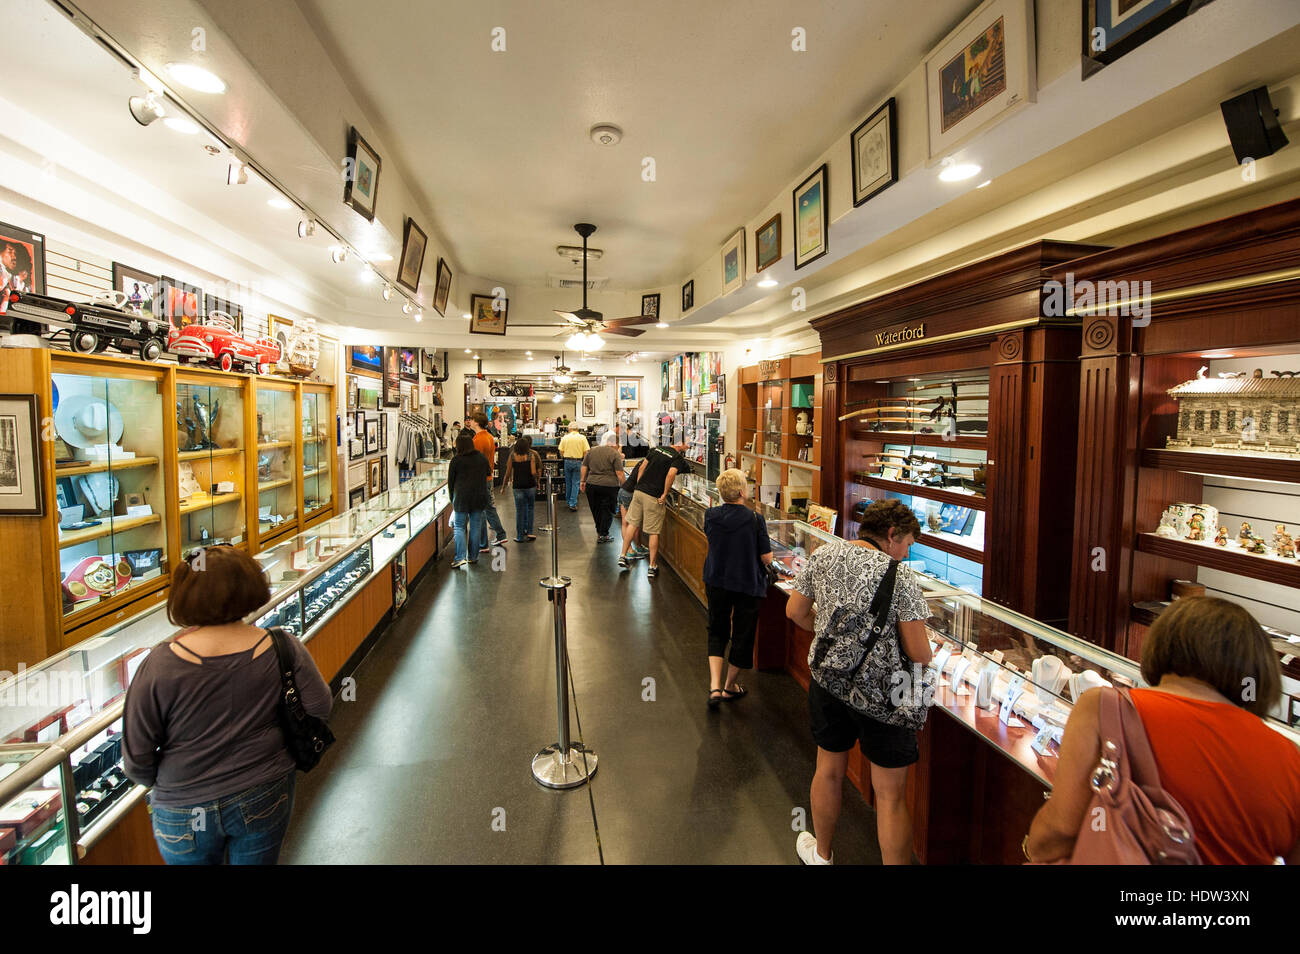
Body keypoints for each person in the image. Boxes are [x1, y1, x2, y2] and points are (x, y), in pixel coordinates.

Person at [1024, 596, 1300, 865]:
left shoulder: (1105, 707)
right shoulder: (1290, 757)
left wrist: (1031, 847)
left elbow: (1059, 830)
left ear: (1163, 645)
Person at [122, 545, 331, 864]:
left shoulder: (159, 665)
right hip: (263, 788)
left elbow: (136, 757)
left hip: (183, 806)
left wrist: (170, 781)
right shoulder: (280, 645)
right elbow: (319, 706)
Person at [784, 500, 933, 865]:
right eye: (907, 542)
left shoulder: (823, 555)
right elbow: (920, 652)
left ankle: (822, 854)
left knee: (829, 771)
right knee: (891, 797)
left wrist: (827, 637)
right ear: (891, 534)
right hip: (885, 697)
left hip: (828, 683)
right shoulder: (902, 578)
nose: (907, 551)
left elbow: (795, 611)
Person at [703, 469, 773, 707]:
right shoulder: (755, 519)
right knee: (742, 634)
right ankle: (729, 686)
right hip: (746, 583)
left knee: (717, 629)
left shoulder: (710, 515)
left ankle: (713, 685)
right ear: (742, 491)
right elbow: (766, 557)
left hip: (716, 579)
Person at [618, 440, 688, 578]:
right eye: (687, 444)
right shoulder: (677, 458)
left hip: (639, 491)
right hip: (654, 495)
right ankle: (652, 566)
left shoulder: (656, 449)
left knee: (632, 523)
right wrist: (665, 493)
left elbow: (642, 467)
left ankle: (623, 555)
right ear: (680, 443)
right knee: (653, 531)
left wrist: (639, 483)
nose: (689, 447)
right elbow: (671, 474)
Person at [447, 431, 492, 567]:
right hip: (479, 496)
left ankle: (460, 557)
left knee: (459, 527)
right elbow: (488, 473)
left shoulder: (456, 460)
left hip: (461, 497)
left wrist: (451, 498)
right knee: (475, 526)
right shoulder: (481, 458)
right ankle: (473, 556)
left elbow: (451, 481)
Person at [467, 412, 508, 550]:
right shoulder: (489, 437)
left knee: (481, 510)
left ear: (476, 422)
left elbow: (474, 461)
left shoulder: (478, 440)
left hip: (479, 479)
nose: (469, 422)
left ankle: (483, 543)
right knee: (489, 507)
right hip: (487, 477)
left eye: (471, 420)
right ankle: (500, 534)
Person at [581, 430, 624, 542]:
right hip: (609, 486)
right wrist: (624, 486)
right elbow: (619, 473)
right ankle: (603, 534)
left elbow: (584, 467)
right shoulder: (615, 454)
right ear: (615, 443)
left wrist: (582, 481)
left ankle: (600, 531)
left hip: (592, 484)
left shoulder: (592, 451)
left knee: (596, 509)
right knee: (608, 509)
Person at [501, 436, 539, 542]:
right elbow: (533, 472)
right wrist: (537, 481)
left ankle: (520, 536)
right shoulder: (531, 455)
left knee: (519, 511)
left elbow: (508, 473)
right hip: (530, 485)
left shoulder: (512, 456)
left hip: (518, 486)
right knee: (530, 508)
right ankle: (530, 532)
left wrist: (503, 487)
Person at [617, 459, 649, 561]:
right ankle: (633, 550)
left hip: (623, 490)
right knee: (634, 524)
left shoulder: (642, 462)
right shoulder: (650, 467)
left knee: (624, 523)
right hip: (631, 494)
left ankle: (631, 549)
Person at [559, 423, 590, 512]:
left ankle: (568, 501)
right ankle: (573, 503)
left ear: (569, 429)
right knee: (575, 483)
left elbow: (561, 451)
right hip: (578, 461)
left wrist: (564, 457)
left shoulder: (565, 437)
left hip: (567, 461)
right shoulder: (582, 438)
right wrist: (584, 462)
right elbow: (586, 452)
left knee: (568, 482)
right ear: (577, 429)